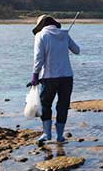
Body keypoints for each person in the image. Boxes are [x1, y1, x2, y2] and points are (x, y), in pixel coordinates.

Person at [30, 15, 80, 143]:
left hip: (49, 77)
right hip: (67, 77)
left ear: (41, 25)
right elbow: (77, 50)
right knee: (63, 106)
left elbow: (38, 57)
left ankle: (47, 134)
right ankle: (60, 136)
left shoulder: (40, 35)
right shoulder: (64, 34)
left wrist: (35, 75)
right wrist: (65, 41)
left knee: (45, 105)